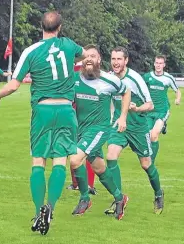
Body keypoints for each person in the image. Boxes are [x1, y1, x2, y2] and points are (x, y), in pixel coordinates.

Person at [0, 11, 88, 235]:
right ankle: (50, 209)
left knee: (38, 161)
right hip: (65, 108)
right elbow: (84, 55)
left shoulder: (31, 51)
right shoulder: (68, 45)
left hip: (43, 109)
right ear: (60, 27)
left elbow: (15, 85)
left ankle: (38, 212)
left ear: (41, 27)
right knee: (59, 162)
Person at [69, 44, 131, 220]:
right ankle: (120, 198)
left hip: (99, 129)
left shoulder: (109, 80)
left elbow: (126, 92)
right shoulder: (74, 79)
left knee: (74, 159)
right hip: (81, 129)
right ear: (81, 60)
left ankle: (84, 198)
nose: (89, 58)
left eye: (93, 56)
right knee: (99, 167)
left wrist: (123, 117)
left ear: (99, 60)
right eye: (86, 56)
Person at [105, 46, 164, 215]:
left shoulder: (135, 79)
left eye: (119, 59)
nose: (115, 63)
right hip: (119, 125)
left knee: (146, 164)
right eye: (113, 59)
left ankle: (159, 193)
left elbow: (150, 104)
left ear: (126, 60)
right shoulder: (110, 78)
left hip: (138, 127)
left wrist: (136, 108)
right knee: (110, 157)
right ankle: (118, 199)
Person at [142, 55, 181, 164]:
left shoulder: (168, 78)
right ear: (154, 64)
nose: (158, 65)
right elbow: (140, 90)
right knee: (148, 137)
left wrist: (177, 99)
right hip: (149, 112)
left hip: (162, 111)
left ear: (164, 65)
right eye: (157, 63)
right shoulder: (147, 77)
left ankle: (151, 162)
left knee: (154, 135)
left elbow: (177, 91)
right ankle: (163, 127)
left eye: (160, 63)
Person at [66, 63, 97, 195]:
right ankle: (85, 184)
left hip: (79, 118)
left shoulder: (72, 71)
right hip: (83, 118)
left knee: (76, 151)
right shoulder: (92, 71)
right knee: (85, 152)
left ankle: (79, 184)